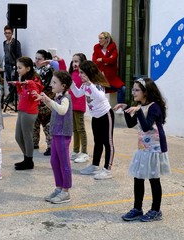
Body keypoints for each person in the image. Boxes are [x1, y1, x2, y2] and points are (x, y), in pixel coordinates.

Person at [114, 77, 171, 222]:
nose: (133, 92)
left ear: (146, 92)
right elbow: (130, 124)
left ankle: (156, 210)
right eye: (133, 89)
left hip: (155, 148)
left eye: (137, 90)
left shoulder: (154, 107)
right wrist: (126, 109)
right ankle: (137, 208)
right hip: (143, 147)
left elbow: (147, 126)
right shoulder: (139, 105)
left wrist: (138, 110)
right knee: (138, 178)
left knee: (153, 179)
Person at [70, 60, 115, 180]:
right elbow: (78, 94)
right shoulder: (85, 85)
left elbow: (100, 97)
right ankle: (95, 165)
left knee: (108, 142)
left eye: (82, 73)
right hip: (96, 117)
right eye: (79, 72)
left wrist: (90, 84)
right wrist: (71, 84)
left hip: (106, 115)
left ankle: (107, 169)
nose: (80, 75)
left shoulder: (97, 83)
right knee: (98, 142)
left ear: (89, 73)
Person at [33, 71, 73, 204]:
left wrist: (49, 99)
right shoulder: (57, 97)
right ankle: (59, 187)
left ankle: (65, 191)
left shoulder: (66, 98)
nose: (52, 84)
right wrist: (46, 100)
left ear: (63, 86)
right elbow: (54, 108)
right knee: (54, 162)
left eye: (55, 82)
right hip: (56, 133)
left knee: (64, 162)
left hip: (63, 134)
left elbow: (62, 110)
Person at [8, 57, 43, 170]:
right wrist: (18, 85)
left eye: (20, 68)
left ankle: (29, 160)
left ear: (28, 68)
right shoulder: (23, 77)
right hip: (22, 109)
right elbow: (22, 93)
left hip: (30, 111)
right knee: (18, 137)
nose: (18, 70)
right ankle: (26, 157)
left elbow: (35, 94)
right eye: (17, 67)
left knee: (27, 136)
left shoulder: (35, 79)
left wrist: (28, 83)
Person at [33, 49, 59, 156]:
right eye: (36, 58)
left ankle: (51, 146)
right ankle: (34, 143)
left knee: (47, 124)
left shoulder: (50, 70)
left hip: (46, 100)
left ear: (45, 60)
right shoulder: (33, 69)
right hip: (34, 101)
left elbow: (50, 86)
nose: (37, 61)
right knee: (34, 123)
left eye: (40, 59)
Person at [92, 31, 125, 103]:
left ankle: (120, 106)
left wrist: (102, 59)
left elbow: (113, 59)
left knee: (122, 88)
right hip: (100, 77)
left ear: (106, 39)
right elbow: (94, 61)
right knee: (98, 92)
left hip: (111, 77)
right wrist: (106, 61)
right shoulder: (96, 47)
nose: (99, 40)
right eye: (99, 38)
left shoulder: (112, 47)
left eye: (101, 38)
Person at [68, 53, 89, 163]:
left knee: (81, 129)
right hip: (71, 105)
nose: (74, 64)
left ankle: (84, 152)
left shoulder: (82, 75)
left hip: (79, 106)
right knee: (75, 129)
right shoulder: (72, 74)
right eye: (73, 61)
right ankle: (76, 150)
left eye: (77, 61)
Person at [3, 25, 22, 102]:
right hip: (7, 65)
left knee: (14, 81)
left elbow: (19, 55)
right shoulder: (4, 43)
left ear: (12, 33)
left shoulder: (15, 42)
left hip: (13, 65)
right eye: (6, 33)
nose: (7, 35)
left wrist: (17, 66)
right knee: (9, 81)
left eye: (9, 33)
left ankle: (15, 99)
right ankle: (10, 97)